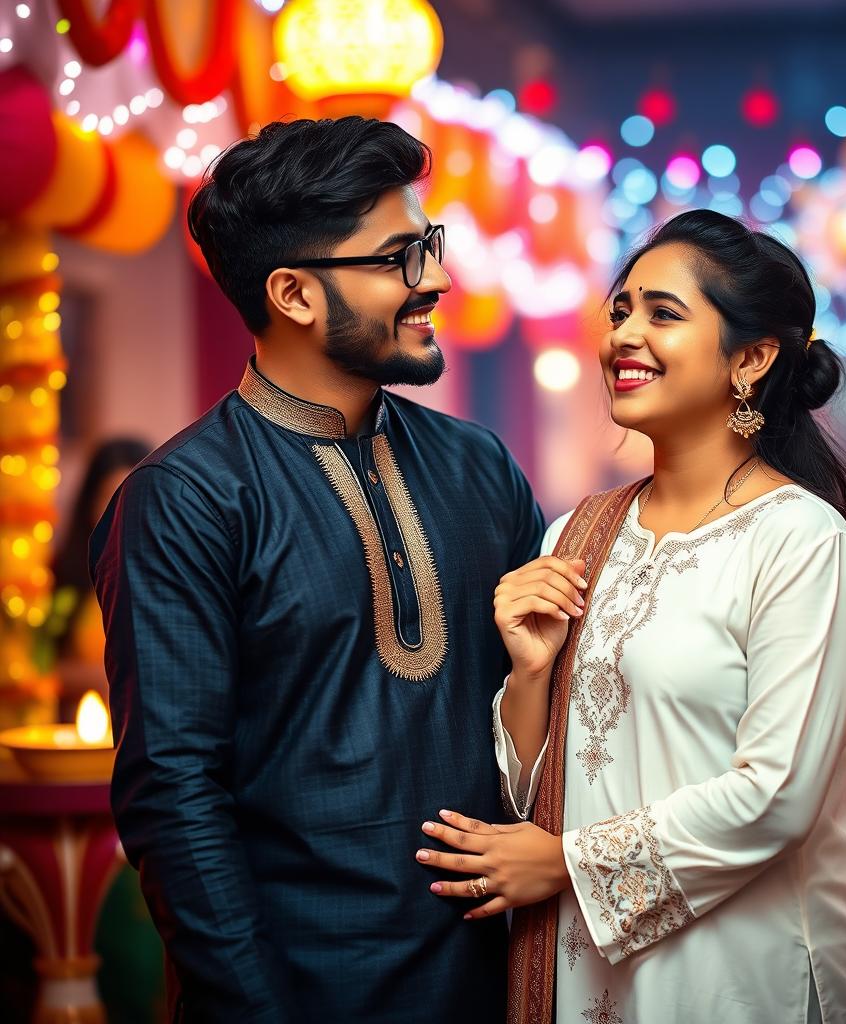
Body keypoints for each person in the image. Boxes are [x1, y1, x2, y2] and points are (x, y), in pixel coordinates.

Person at [89, 116, 544, 1023]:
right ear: (293, 293)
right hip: (300, 989)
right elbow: (174, 794)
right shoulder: (186, 498)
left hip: (497, 980)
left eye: (431, 245)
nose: (438, 278)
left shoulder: (477, 466)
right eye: (399, 258)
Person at [416, 210, 846, 1023]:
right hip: (585, 967)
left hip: (740, 971)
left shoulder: (802, 544)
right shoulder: (581, 532)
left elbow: (778, 794)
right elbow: (540, 792)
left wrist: (566, 865)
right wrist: (530, 673)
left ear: (752, 357)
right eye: (621, 311)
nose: (625, 335)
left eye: (663, 314)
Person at [49, 437, 151, 715]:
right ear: (90, 503)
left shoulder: (178, 572)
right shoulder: (64, 576)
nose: (123, 510)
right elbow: (39, 666)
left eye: (133, 495)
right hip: (77, 731)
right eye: (110, 496)